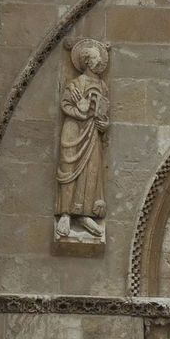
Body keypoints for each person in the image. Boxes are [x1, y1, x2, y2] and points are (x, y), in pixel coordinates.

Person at [55, 38, 110, 240]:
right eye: (96, 60)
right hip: (73, 130)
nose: (100, 63)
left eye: (100, 60)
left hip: (93, 131)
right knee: (68, 169)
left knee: (91, 172)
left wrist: (105, 125)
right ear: (87, 62)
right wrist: (80, 110)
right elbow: (66, 105)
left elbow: (104, 111)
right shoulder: (75, 84)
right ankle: (66, 214)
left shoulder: (103, 86)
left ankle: (85, 214)